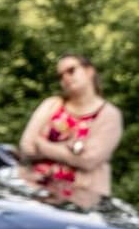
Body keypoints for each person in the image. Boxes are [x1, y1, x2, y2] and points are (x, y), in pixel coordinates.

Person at [19, 53, 123, 198]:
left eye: (71, 70)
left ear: (89, 71)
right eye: (60, 76)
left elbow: (88, 160)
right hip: (37, 193)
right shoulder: (52, 104)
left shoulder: (109, 114)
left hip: (82, 201)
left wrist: (42, 146)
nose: (65, 78)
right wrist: (71, 150)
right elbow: (27, 146)